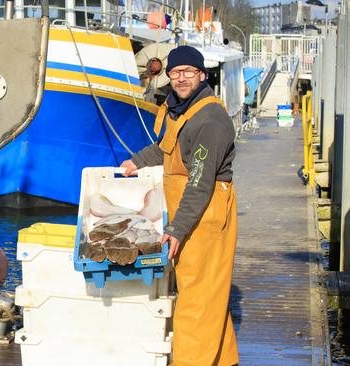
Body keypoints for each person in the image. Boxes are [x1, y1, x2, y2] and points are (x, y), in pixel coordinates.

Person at [120, 45, 238, 366]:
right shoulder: (182, 109)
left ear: (201, 75)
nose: (181, 78)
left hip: (206, 213)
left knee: (197, 299)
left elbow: (199, 182)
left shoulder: (211, 120)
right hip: (190, 211)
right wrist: (136, 162)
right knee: (206, 292)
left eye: (188, 72)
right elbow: (165, 150)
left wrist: (176, 229)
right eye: (175, 72)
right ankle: (224, 360)